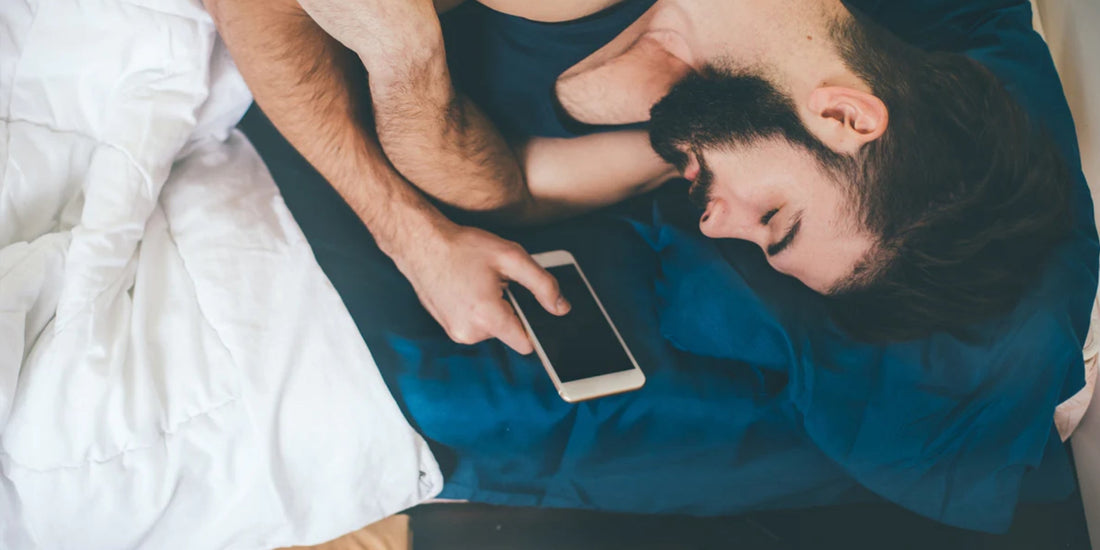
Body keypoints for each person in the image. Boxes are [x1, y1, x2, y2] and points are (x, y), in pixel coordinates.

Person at [205, 0, 1072, 344]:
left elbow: (504, 188)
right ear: (845, 115)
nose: (712, 226)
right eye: (774, 220)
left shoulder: (710, 116)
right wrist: (407, 229)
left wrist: (408, 64)